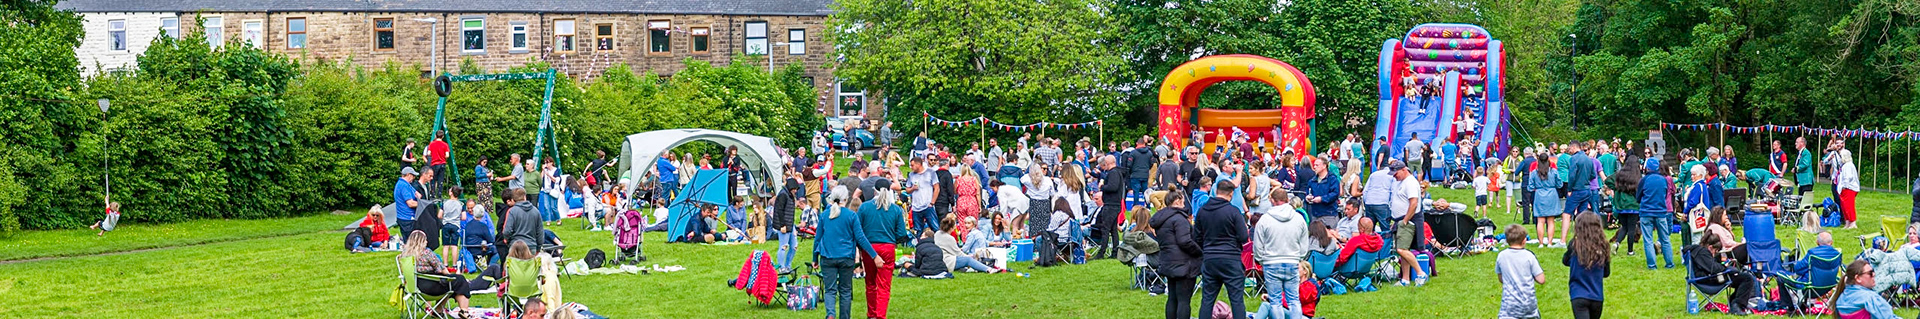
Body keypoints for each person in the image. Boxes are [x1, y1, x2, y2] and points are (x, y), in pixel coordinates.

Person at [814, 185, 879, 319]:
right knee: (845, 291)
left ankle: (830, 314)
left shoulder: (825, 215)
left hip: (827, 256)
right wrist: (874, 255)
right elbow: (860, 237)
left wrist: (815, 258)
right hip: (846, 257)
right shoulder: (851, 215)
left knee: (830, 290)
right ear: (846, 199)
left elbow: (818, 238)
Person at [1194, 180, 1248, 319]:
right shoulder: (1233, 211)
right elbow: (1243, 236)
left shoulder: (1202, 211)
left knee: (1207, 299)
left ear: (1216, 191)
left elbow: (1196, 237)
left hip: (1210, 258)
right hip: (1231, 258)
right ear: (1231, 194)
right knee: (1236, 300)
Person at [1252, 189, 1310, 319]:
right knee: (1294, 300)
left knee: (1275, 301)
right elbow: (1304, 243)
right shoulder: (1298, 218)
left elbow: (1258, 245)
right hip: (1292, 261)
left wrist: (1262, 260)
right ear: (1288, 200)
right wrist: (1298, 257)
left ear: (1272, 200)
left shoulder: (1264, 220)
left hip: (1271, 262)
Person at [859, 180, 911, 319]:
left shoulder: (864, 207)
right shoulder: (895, 209)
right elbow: (901, 234)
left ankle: (871, 314)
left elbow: (858, 230)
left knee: (870, 282)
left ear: (874, 190)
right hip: (887, 247)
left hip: (869, 247)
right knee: (884, 284)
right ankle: (881, 315)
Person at [1151, 191, 1200, 319]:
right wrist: (1199, 251)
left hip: (1168, 261)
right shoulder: (1179, 219)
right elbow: (1184, 241)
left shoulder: (1161, 219)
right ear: (1177, 201)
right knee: (1184, 300)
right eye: (1183, 201)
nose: (1184, 204)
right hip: (1183, 263)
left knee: (1172, 298)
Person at [401, 230, 473, 314]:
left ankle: (438, 311)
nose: (427, 242)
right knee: (459, 280)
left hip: (414, 287)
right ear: (421, 241)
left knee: (447, 283)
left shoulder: (404, 255)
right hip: (431, 288)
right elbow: (443, 270)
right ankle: (464, 311)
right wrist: (451, 275)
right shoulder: (426, 253)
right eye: (425, 240)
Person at [1688, 232, 1757, 315]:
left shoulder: (1698, 251)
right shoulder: (1703, 253)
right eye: (1716, 251)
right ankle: (1736, 305)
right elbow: (1714, 268)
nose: (1715, 253)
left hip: (1710, 277)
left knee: (1741, 276)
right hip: (1709, 279)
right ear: (1710, 247)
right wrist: (1727, 268)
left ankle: (1734, 302)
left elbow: (1711, 266)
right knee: (1747, 278)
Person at [1565, 213, 1612, 319]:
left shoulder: (1574, 245)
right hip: (1596, 295)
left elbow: (1565, 261)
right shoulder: (1603, 246)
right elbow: (1606, 273)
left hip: (1578, 294)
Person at [1494, 224, 1545, 319]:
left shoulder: (1501, 255)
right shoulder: (1529, 256)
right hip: (1528, 302)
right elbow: (1541, 279)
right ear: (1524, 240)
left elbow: (1501, 279)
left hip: (1509, 304)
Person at [1390, 160, 1428, 286]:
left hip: (1409, 219)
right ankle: (1405, 279)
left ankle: (1421, 273)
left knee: (1401, 249)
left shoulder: (1410, 182)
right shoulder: (1401, 182)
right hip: (1400, 219)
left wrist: (1405, 220)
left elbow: (1414, 203)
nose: (1394, 176)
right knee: (1404, 248)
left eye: (1396, 173)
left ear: (1404, 170)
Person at [1834, 260, 1902, 318]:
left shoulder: (1840, 299)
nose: (1874, 274)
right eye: (1870, 273)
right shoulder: (1870, 298)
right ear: (1858, 278)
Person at [1528, 153, 1564, 248]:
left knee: (1540, 221)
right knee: (1551, 221)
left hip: (1539, 195)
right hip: (1552, 195)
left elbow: (1530, 187)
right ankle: (1550, 243)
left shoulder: (1534, 173)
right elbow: (1560, 184)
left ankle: (1540, 243)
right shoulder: (1554, 172)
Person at [1097, 155, 1127, 259]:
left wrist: (1102, 186)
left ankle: (1101, 253)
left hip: (1111, 205)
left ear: (1108, 163)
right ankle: (1114, 252)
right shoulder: (1118, 172)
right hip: (1115, 204)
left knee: (1105, 229)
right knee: (1113, 229)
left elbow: (1113, 187)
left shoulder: (1113, 173)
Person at [772, 169, 802, 270]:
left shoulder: (789, 195)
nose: (795, 191)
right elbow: (779, 211)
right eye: (794, 189)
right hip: (784, 224)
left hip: (790, 224)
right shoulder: (783, 195)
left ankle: (788, 265)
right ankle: (781, 266)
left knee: (794, 246)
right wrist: (782, 225)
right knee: (783, 246)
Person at [1362, 160, 1400, 234]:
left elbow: (1365, 191)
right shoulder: (1391, 175)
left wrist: (1365, 202)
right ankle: (1386, 244)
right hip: (1382, 203)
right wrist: (1391, 206)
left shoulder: (1373, 174)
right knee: (1385, 229)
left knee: (1369, 228)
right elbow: (1393, 191)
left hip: (1369, 201)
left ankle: (1369, 243)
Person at [395, 167, 422, 243]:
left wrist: (417, 195)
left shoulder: (406, 184)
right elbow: (410, 203)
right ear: (408, 175)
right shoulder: (403, 185)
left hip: (406, 218)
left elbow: (418, 195)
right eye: (413, 176)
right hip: (407, 219)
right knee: (411, 243)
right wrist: (423, 205)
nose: (413, 178)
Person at [1835, 149, 1860, 229]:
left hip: (1849, 188)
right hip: (1845, 188)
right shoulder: (1845, 165)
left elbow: (1848, 177)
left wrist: (1844, 186)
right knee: (1844, 206)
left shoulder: (1848, 165)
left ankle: (1852, 222)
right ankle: (1847, 222)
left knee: (1849, 206)